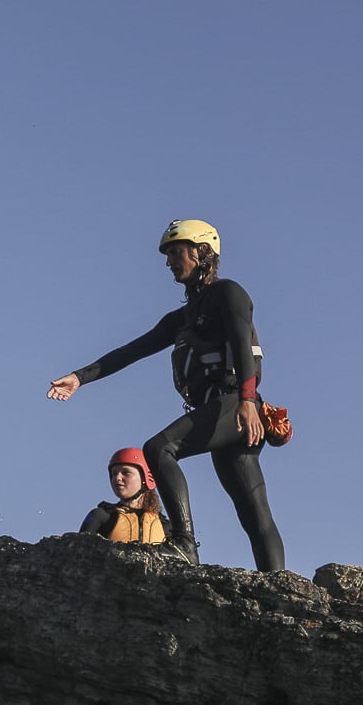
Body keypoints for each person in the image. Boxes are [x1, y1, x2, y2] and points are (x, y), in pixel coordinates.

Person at [48, 219, 284, 571]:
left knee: (159, 449)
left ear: (203, 252)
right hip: (218, 409)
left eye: (177, 252)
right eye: (168, 255)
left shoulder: (229, 293)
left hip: (235, 403)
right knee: (251, 509)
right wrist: (80, 378)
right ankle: (274, 582)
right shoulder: (182, 318)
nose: (170, 262)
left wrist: (248, 402)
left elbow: (242, 345)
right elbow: (132, 350)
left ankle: (186, 545)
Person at [78, 447, 174, 549]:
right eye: (114, 474)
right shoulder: (101, 516)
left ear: (145, 477)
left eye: (126, 472)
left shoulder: (167, 527)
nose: (117, 478)